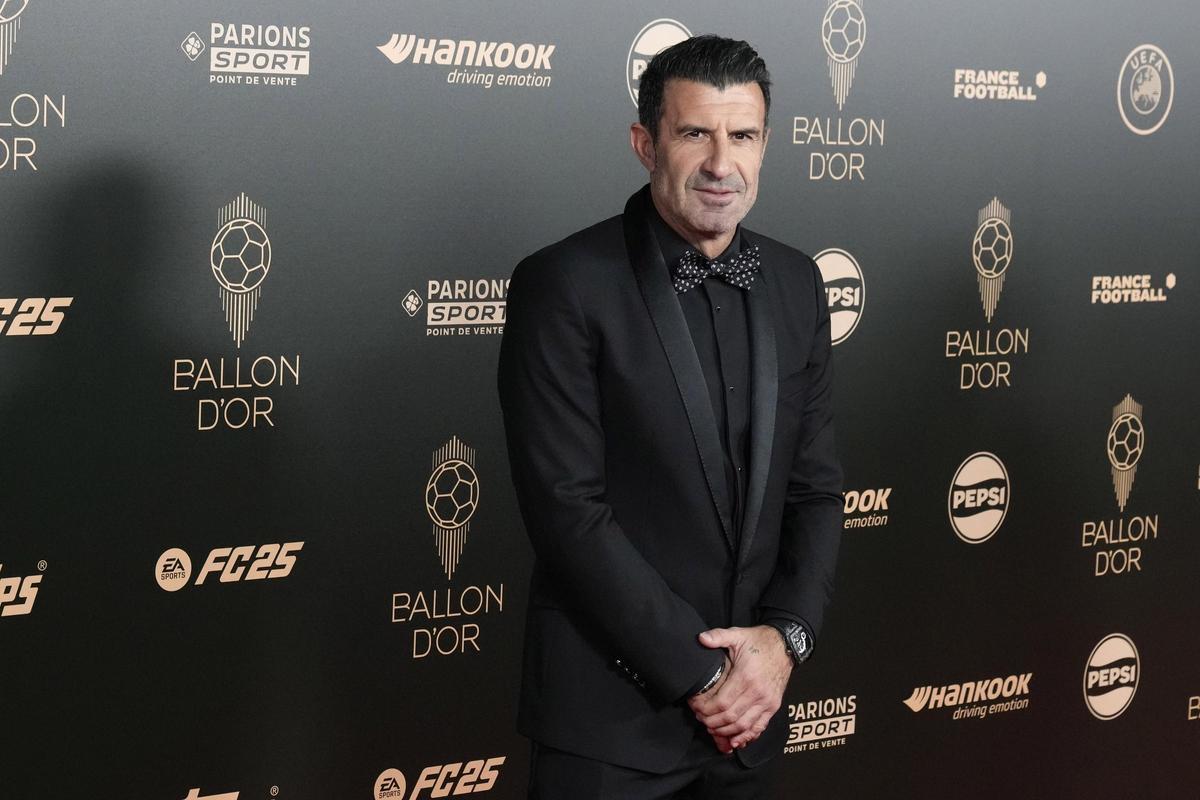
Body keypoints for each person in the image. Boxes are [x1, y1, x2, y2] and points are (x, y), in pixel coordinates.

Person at [497, 35, 844, 799]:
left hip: (751, 727)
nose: (723, 164)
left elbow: (816, 491)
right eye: (696, 134)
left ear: (765, 142)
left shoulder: (795, 283)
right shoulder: (564, 285)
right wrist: (707, 675)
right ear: (644, 144)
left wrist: (782, 646)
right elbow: (567, 513)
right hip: (608, 729)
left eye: (743, 135)